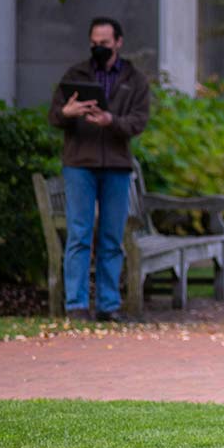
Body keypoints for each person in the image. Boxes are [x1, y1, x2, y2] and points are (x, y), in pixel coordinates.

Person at [46, 17, 152, 323]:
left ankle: (108, 304)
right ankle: (76, 305)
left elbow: (138, 121)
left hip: (117, 166)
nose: (99, 48)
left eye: (104, 43)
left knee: (111, 237)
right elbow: (54, 116)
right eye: (94, 43)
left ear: (118, 42)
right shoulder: (75, 74)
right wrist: (67, 114)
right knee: (79, 234)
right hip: (79, 164)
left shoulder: (134, 79)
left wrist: (111, 121)